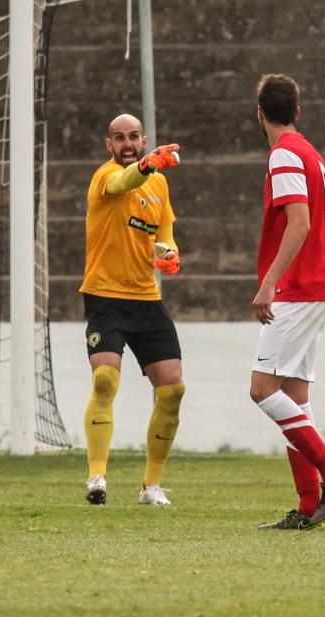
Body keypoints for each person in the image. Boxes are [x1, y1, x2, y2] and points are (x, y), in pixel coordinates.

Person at [250, 73, 325, 531]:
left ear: (260, 114)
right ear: (297, 111)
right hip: (317, 284)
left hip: (298, 287)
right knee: (294, 395)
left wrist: (270, 281)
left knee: (262, 389)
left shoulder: (285, 155)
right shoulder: (310, 152)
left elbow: (299, 223)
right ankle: (309, 505)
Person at [80, 113, 185, 506]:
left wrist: (171, 253)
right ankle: (97, 478)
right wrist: (146, 164)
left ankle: (151, 487)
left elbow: (166, 231)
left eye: (134, 137)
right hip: (106, 297)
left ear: (143, 140)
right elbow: (127, 180)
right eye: (119, 137)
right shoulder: (104, 177)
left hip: (146, 300)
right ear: (109, 144)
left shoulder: (159, 183)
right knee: (105, 380)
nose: (127, 143)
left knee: (173, 390)